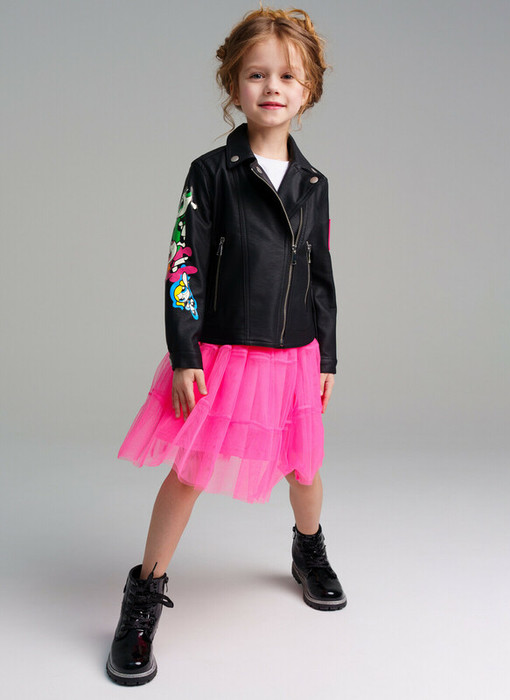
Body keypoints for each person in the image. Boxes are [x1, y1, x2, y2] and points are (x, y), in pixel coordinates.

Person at [106, 6, 346, 687]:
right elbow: (183, 264)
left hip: (294, 354)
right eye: (256, 74)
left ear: (308, 90)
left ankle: (308, 548)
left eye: (287, 76)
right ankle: (143, 594)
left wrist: (327, 355)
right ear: (234, 85)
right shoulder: (212, 172)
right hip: (224, 353)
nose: (272, 87)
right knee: (190, 472)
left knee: (303, 467)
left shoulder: (314, 185)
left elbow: (322, 275)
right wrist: (185, 353)